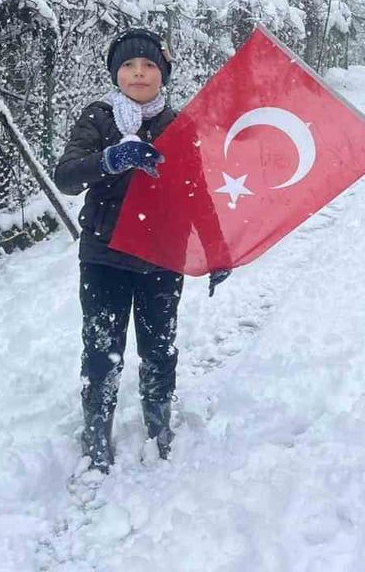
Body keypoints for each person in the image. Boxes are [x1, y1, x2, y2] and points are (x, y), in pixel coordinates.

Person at [53, 28, 229, 473]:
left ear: (162, 74)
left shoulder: (177, 125)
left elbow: (196, 192)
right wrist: (110, 159)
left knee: (159, 348)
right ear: (116, 73)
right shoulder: (98, 119)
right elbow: (67, 176)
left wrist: (216, 250)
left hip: (161, 257)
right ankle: (97, 431)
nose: (138, 73)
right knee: (101, 350)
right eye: (129, 65)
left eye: (149, 65)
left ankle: (159, 422)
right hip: (104, 255)